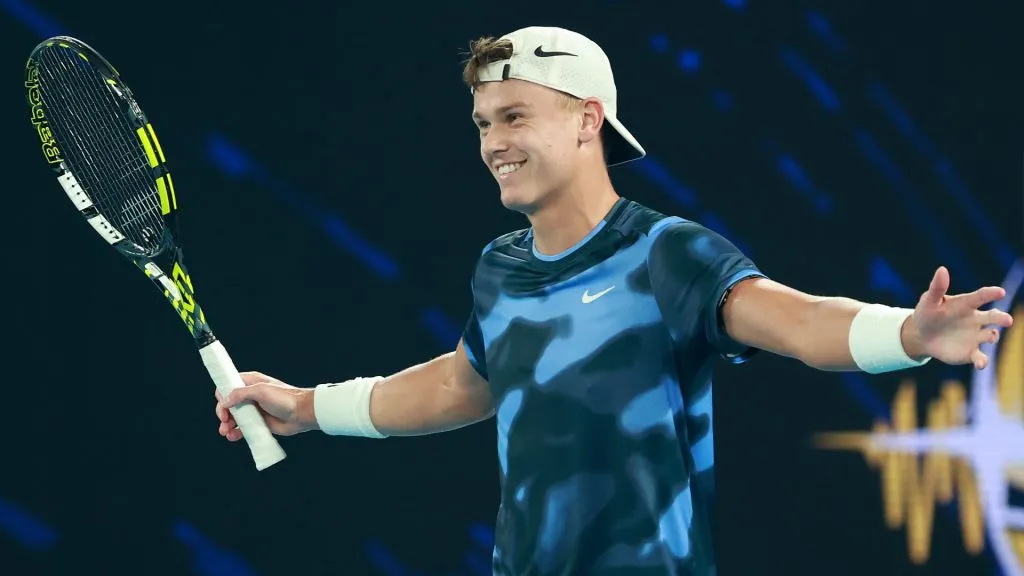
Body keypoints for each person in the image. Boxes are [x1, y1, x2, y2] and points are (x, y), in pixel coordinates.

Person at [213, 26, 1014, 575]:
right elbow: (462, 384)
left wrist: (904, 333)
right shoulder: (499, 267)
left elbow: (798, 321)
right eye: (483, 122)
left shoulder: (668, 253)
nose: (493, 142)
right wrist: (309, 406)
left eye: (515, 116)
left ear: (588, 120)